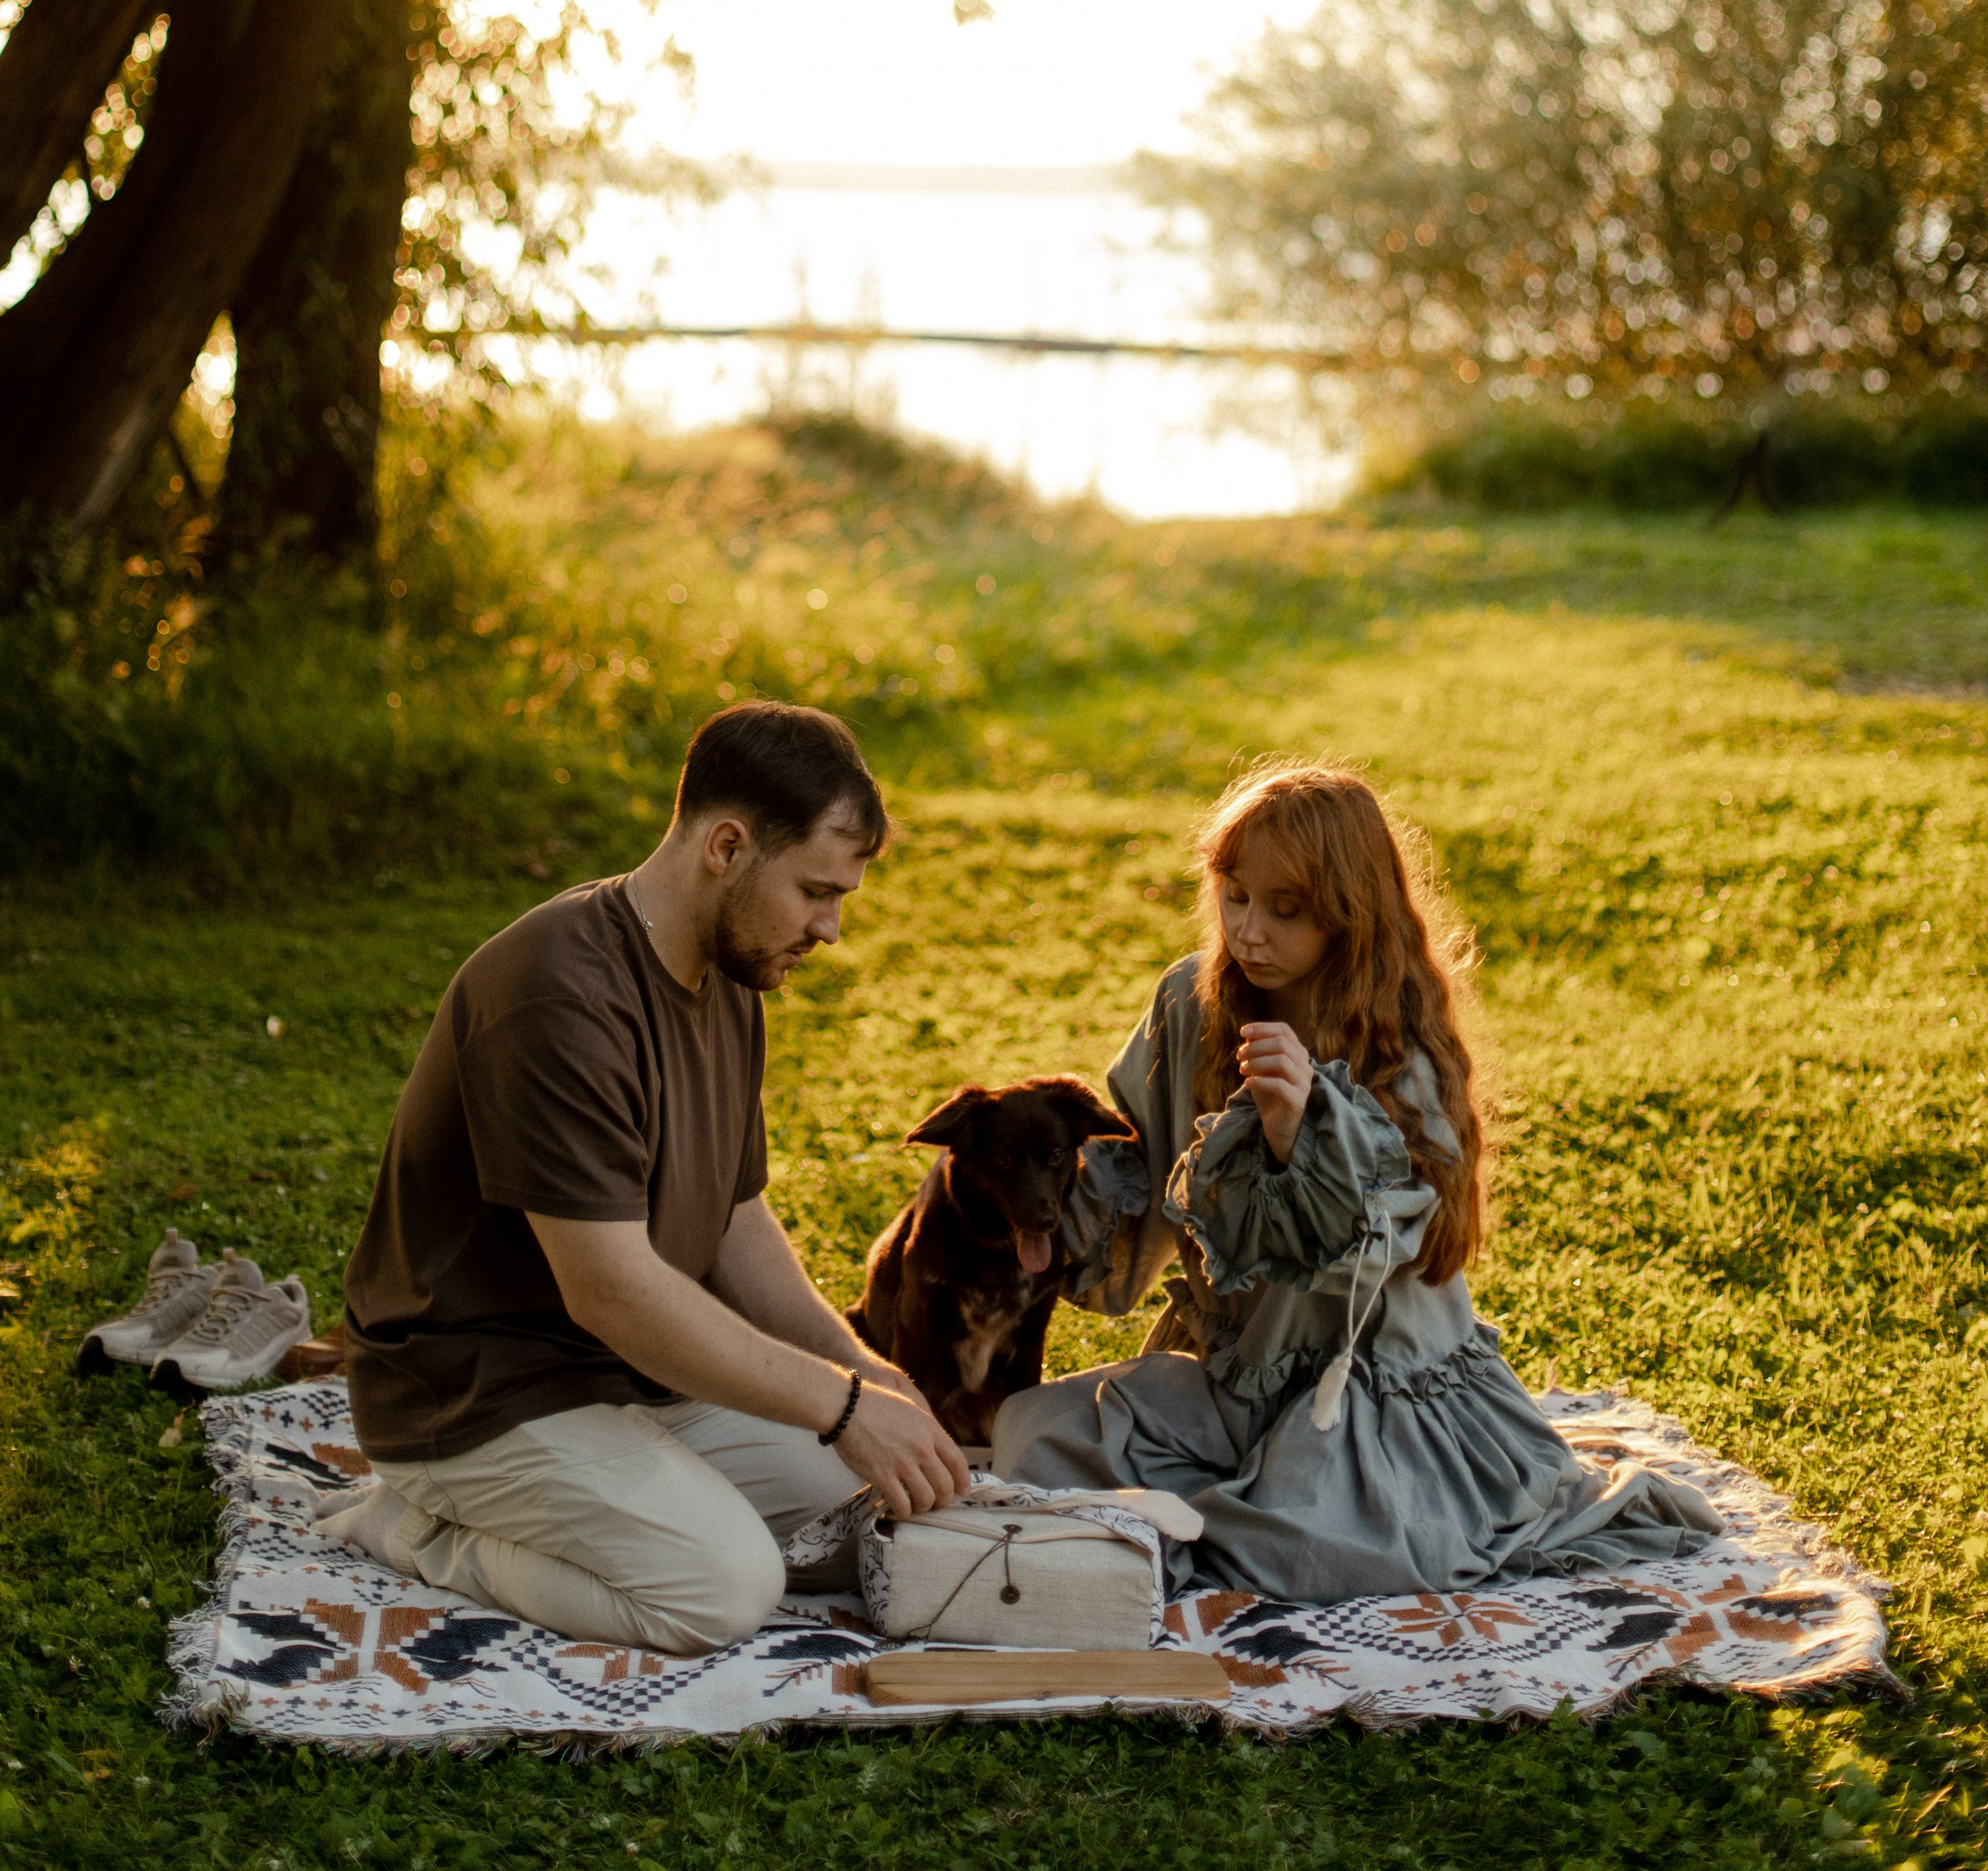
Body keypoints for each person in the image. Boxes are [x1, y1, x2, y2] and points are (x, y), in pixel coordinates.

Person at [991, 761, 1722, 1601]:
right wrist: (1037, 1192)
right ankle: (1209, 1505)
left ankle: (1239, 1516)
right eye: (1233, 895)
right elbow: (1141, 1175)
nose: (1248, 931)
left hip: (1367, 1389)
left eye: (1285, 910)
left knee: (1309, 1547)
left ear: (1347, 917)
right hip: (1231, 1378)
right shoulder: (1189, 1007)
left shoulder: (1393, 1046)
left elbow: (1363, 1252)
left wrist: (1294, 1131)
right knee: (1030, 1436)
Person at [328, 701, 968, 1655]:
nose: (830, 930)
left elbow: (735, 1219)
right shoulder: (556, 993)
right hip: (475, 1391)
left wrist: (866, 1377)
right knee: (723, 1591)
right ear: (725, 846)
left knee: (869, 1490)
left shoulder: (730, 972)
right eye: (815, 891)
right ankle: (418, 1526)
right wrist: (834, 1406)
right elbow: (614, 1293)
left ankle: (634, 1493)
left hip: (622, 1379)